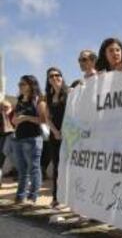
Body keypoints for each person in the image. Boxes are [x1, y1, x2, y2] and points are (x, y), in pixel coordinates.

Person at [12, 75, 47, 204]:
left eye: (23, 84)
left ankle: (32, 197)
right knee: (21, 169)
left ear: (31, 85)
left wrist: (25, 118)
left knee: (33, 168)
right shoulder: (19, 100)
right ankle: (20, 197)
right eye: (19, 84)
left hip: (32, 139)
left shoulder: (39, 100)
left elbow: (43, 120)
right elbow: (15, 119)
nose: (20, 87)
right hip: (18, 138)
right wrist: (15, 120)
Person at [45, 67, 68, 208]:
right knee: (57, 167)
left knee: (70, 167)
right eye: (51, 76)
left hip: (70, 135)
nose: (54, 78)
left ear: (61, 76)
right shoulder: (48, 97)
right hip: (55, 136)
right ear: (48, 80)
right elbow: (47, 118)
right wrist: (55, 131)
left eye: (57, 75)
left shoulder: (69, 92)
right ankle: (56, 197)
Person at [0, 100, 15, 188]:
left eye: (6, 107)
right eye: (2, 107)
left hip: (13, 137)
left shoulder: (14, 114)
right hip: (2, 137)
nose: (4, 109)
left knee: (9, 154)